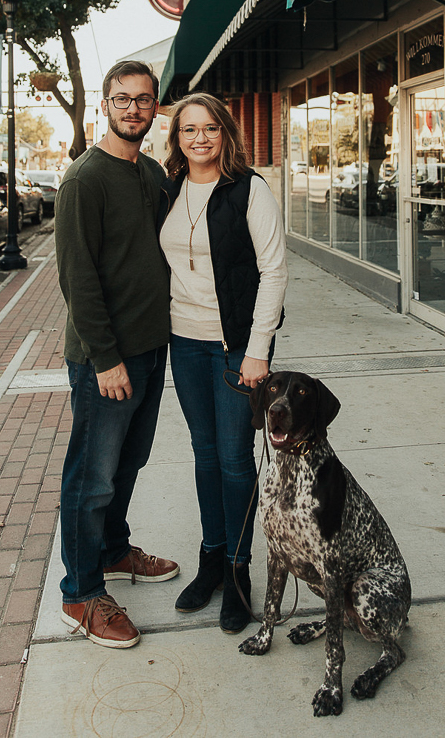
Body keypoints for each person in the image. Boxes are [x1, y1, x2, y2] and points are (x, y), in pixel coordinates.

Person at [55, 60, 179, 649]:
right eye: (123, 99)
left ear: (157, 108)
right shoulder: (85, 179)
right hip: (106, 359)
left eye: (145, 100)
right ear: (104, 104)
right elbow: (78, 280)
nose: (134, 108)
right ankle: (80, 594)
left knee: (128, 465)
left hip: (151, 349)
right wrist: (106, 359)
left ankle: (111, 551)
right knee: (92, 477)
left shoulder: (152, 174)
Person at [159, 92, 287, 634]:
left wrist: (258, 349)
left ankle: (238, 570)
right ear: (177, 138)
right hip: (183, 341)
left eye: (210, 128)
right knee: (204, 452)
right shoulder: (166, 189)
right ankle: (211, 557)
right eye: (189, 130)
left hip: (237, 346)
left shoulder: (248, 190)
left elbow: (274, 272)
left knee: (235, 459)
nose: (200, 138)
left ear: (225, 134)